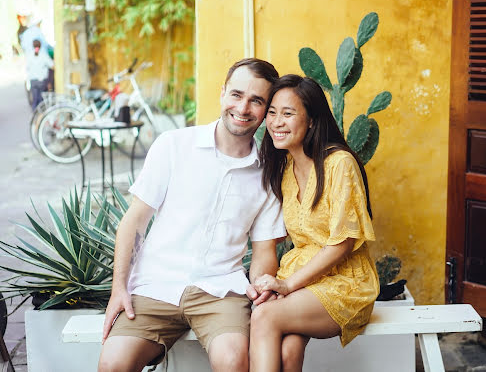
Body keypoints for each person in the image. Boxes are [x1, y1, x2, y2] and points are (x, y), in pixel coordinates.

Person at [97, 58, 286, 372]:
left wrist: (261, 289)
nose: (243, 108)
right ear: (223, 93)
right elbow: (135, 219)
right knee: (113, 363)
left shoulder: (268, 175)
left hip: (221, 291)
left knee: (233, 361)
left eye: (256, 101)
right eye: (237, 95)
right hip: (153, 285)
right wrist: (119, 288)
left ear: (266, 110)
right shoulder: (174, 145)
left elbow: (265, 250)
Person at [250, 75, 380, 371]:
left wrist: (286, 285)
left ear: (310, 121)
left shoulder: (338, 163)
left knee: (265, 316)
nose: (276, 122)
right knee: (287, 351)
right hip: (303, 278)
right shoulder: (284, 169)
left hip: (345, 280)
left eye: (288, 113)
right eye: (272, 113)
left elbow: (342, 244)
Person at [26, 39, 54, 111]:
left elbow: (27, 68)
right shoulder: (44, 55)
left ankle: (35, 117)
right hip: (41, 81)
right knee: (41, 100)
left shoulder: (29, 55)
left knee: (35, 99)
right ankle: (40, 116)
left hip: (33, 81)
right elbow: (52, 65)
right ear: (40, 46)